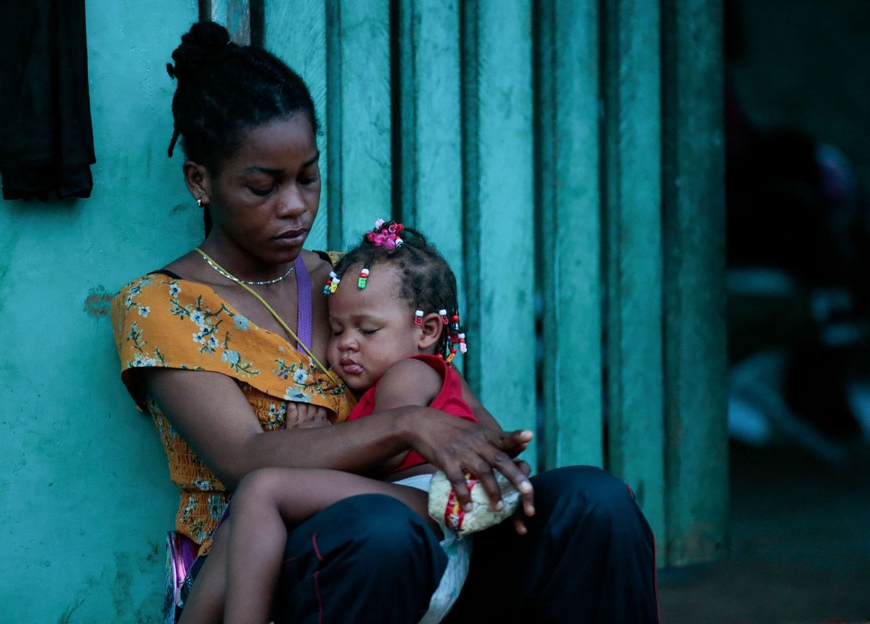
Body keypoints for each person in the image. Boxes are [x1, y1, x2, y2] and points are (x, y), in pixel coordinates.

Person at [111, 20, 660, 624]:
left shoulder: (357, 282)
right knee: (381, 530)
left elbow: (456, 412)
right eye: (263, 187)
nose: (294, 205)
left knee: (593, 501)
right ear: (201, 182)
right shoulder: (162, 305)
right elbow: (244, 460)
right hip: (274, 565)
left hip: (433, 540)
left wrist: (493, 472)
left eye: (308, 177)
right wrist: (404, 428)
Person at [179, 220, 514, 624]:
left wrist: (318, 440)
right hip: (430, 518)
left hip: (426, 503)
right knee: (237, 529)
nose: (345, 343)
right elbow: (491, 433)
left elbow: (387, 450)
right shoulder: (443, 377)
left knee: (262, 488)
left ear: (426, 331)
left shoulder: (408, 374)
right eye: (337, 329)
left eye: (367, 330)